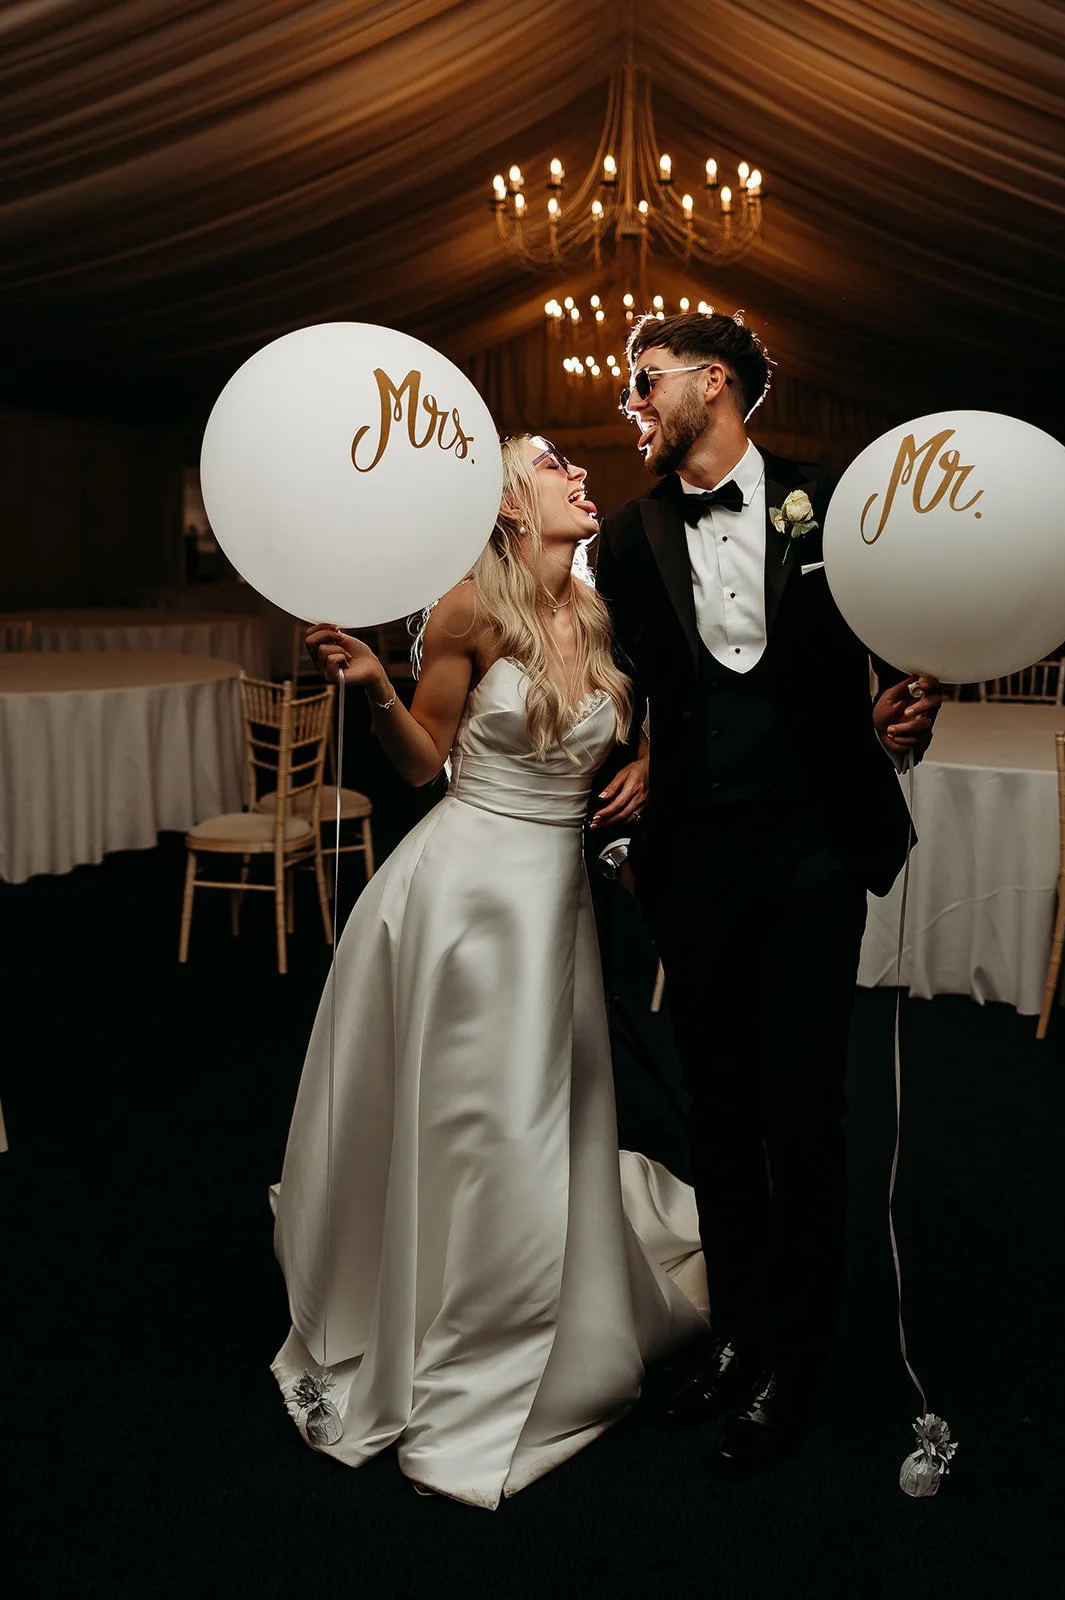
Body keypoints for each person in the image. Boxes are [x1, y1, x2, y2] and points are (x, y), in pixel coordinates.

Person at [271, 433, 707, 1508]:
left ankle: (546, 1298)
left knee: (547, 1106)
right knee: (478, 1117)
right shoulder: (466, 607)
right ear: (512, 506)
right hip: (463, 896)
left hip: (553, 898)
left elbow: (630, 719)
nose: (576, 472)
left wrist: (645, 759)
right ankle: (469, 1331)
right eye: (552, 463)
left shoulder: (599, 610)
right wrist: (378, 683)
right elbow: (426, 763)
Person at [592, 311, 943, 1473]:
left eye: (646, 382)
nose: (631, 403)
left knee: (804, 1110)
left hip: (810, 853)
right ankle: (736, 1340)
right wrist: (625, 753)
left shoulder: (836, 501)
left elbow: (897, 644)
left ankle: (798, 1360)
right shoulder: (632, 535)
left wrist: (900, 706)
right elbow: (619, 676)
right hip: (690, 857)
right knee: (718, 1108)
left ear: (714, 382)